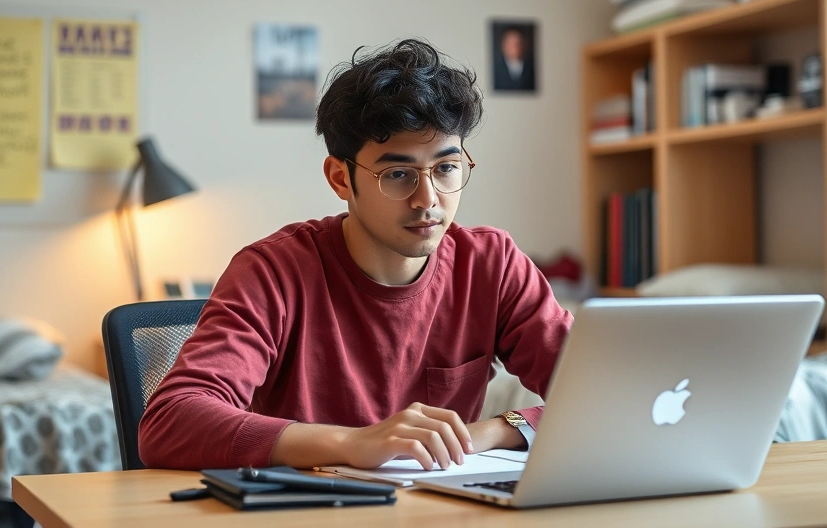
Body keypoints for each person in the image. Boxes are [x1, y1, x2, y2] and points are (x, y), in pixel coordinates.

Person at [138, 38, 572, 471]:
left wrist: (494, 429)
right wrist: (352, 443)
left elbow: (613, 392)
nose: (428, 199)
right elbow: (170, 421)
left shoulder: (491, 264)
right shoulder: (273, 272)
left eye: (445, 168)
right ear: (340, 179)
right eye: (398, 174)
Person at [493, 26, 536, 92]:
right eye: (510, 43)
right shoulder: (495, 69)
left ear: (524, 45)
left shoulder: (533, 68)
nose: (514, 48)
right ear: (503, 46)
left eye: (518, 43)